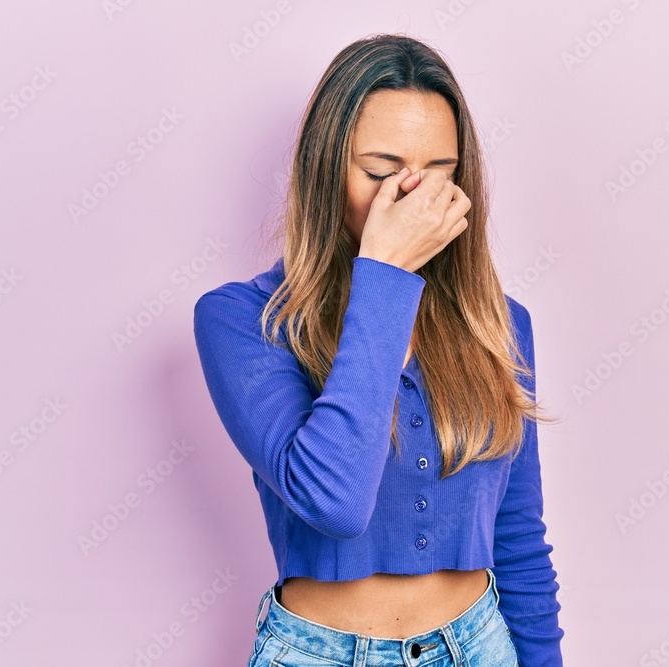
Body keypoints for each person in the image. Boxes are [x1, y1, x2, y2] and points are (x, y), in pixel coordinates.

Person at [193, 33, 564, 667]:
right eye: (381, 173)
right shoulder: (242, 320)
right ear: (324, 169)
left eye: (439, 177)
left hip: (481, 645)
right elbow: (334, 502)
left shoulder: (499, 323)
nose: (412, 199)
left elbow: (520, 540)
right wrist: (386, 273)